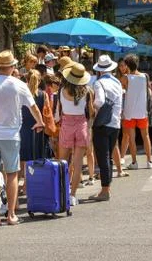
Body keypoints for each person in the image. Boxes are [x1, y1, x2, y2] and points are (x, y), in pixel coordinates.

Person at [0, 50, 44, 226]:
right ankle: (11, 214)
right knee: (12, 174)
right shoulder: (19, 84)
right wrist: (40, 122)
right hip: (10, 134)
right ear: (13, 67)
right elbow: (33, 107)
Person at [55, 63, 94, 206]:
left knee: (62, 162)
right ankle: (72, 195)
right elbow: (90, 113)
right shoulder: (88, 91)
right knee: (77, 164)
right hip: (81, 126)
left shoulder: (61, 91)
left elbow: (58, 113)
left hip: (66, 125)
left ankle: (62, 193)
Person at [88, 55, 123, 201]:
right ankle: (107, 188)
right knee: (108, 156)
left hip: (102, 123)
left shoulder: (98, 83)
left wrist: (91, 107)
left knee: (103, 157)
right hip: (115, 122)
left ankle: (105, 190)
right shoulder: (117, 82)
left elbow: (100, 101)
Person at [121, 54, 152, 169]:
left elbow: (123, 90)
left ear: (127, 65)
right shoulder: (145, 76)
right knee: (146, 136)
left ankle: (134, 162)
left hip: (129, 112)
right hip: (142, 111)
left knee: (132, 138)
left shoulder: (125, 78)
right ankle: (149, 161)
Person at [19, 70, 51, 193]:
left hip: (23, 128)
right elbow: (47, 114)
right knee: (36, 158)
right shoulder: (43, 95)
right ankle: (31, 184)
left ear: (26, 80)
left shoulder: (21, 94)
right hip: (38, 129)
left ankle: (23, 185)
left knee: (23, 159)